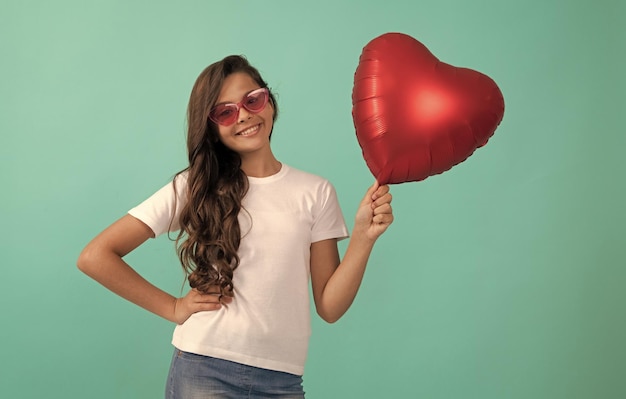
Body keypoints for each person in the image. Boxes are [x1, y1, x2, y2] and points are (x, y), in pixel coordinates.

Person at [77, 55, 393, 398]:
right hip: (204, 368)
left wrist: (363, 237)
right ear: (212, 127)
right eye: (225, 111)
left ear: (269, 101)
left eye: (252, 100)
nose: (243, 115)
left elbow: (329, 308)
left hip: (283, 380)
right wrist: (173, 307)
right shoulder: (196, 186)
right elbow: (95, 256)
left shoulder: (315, 192)